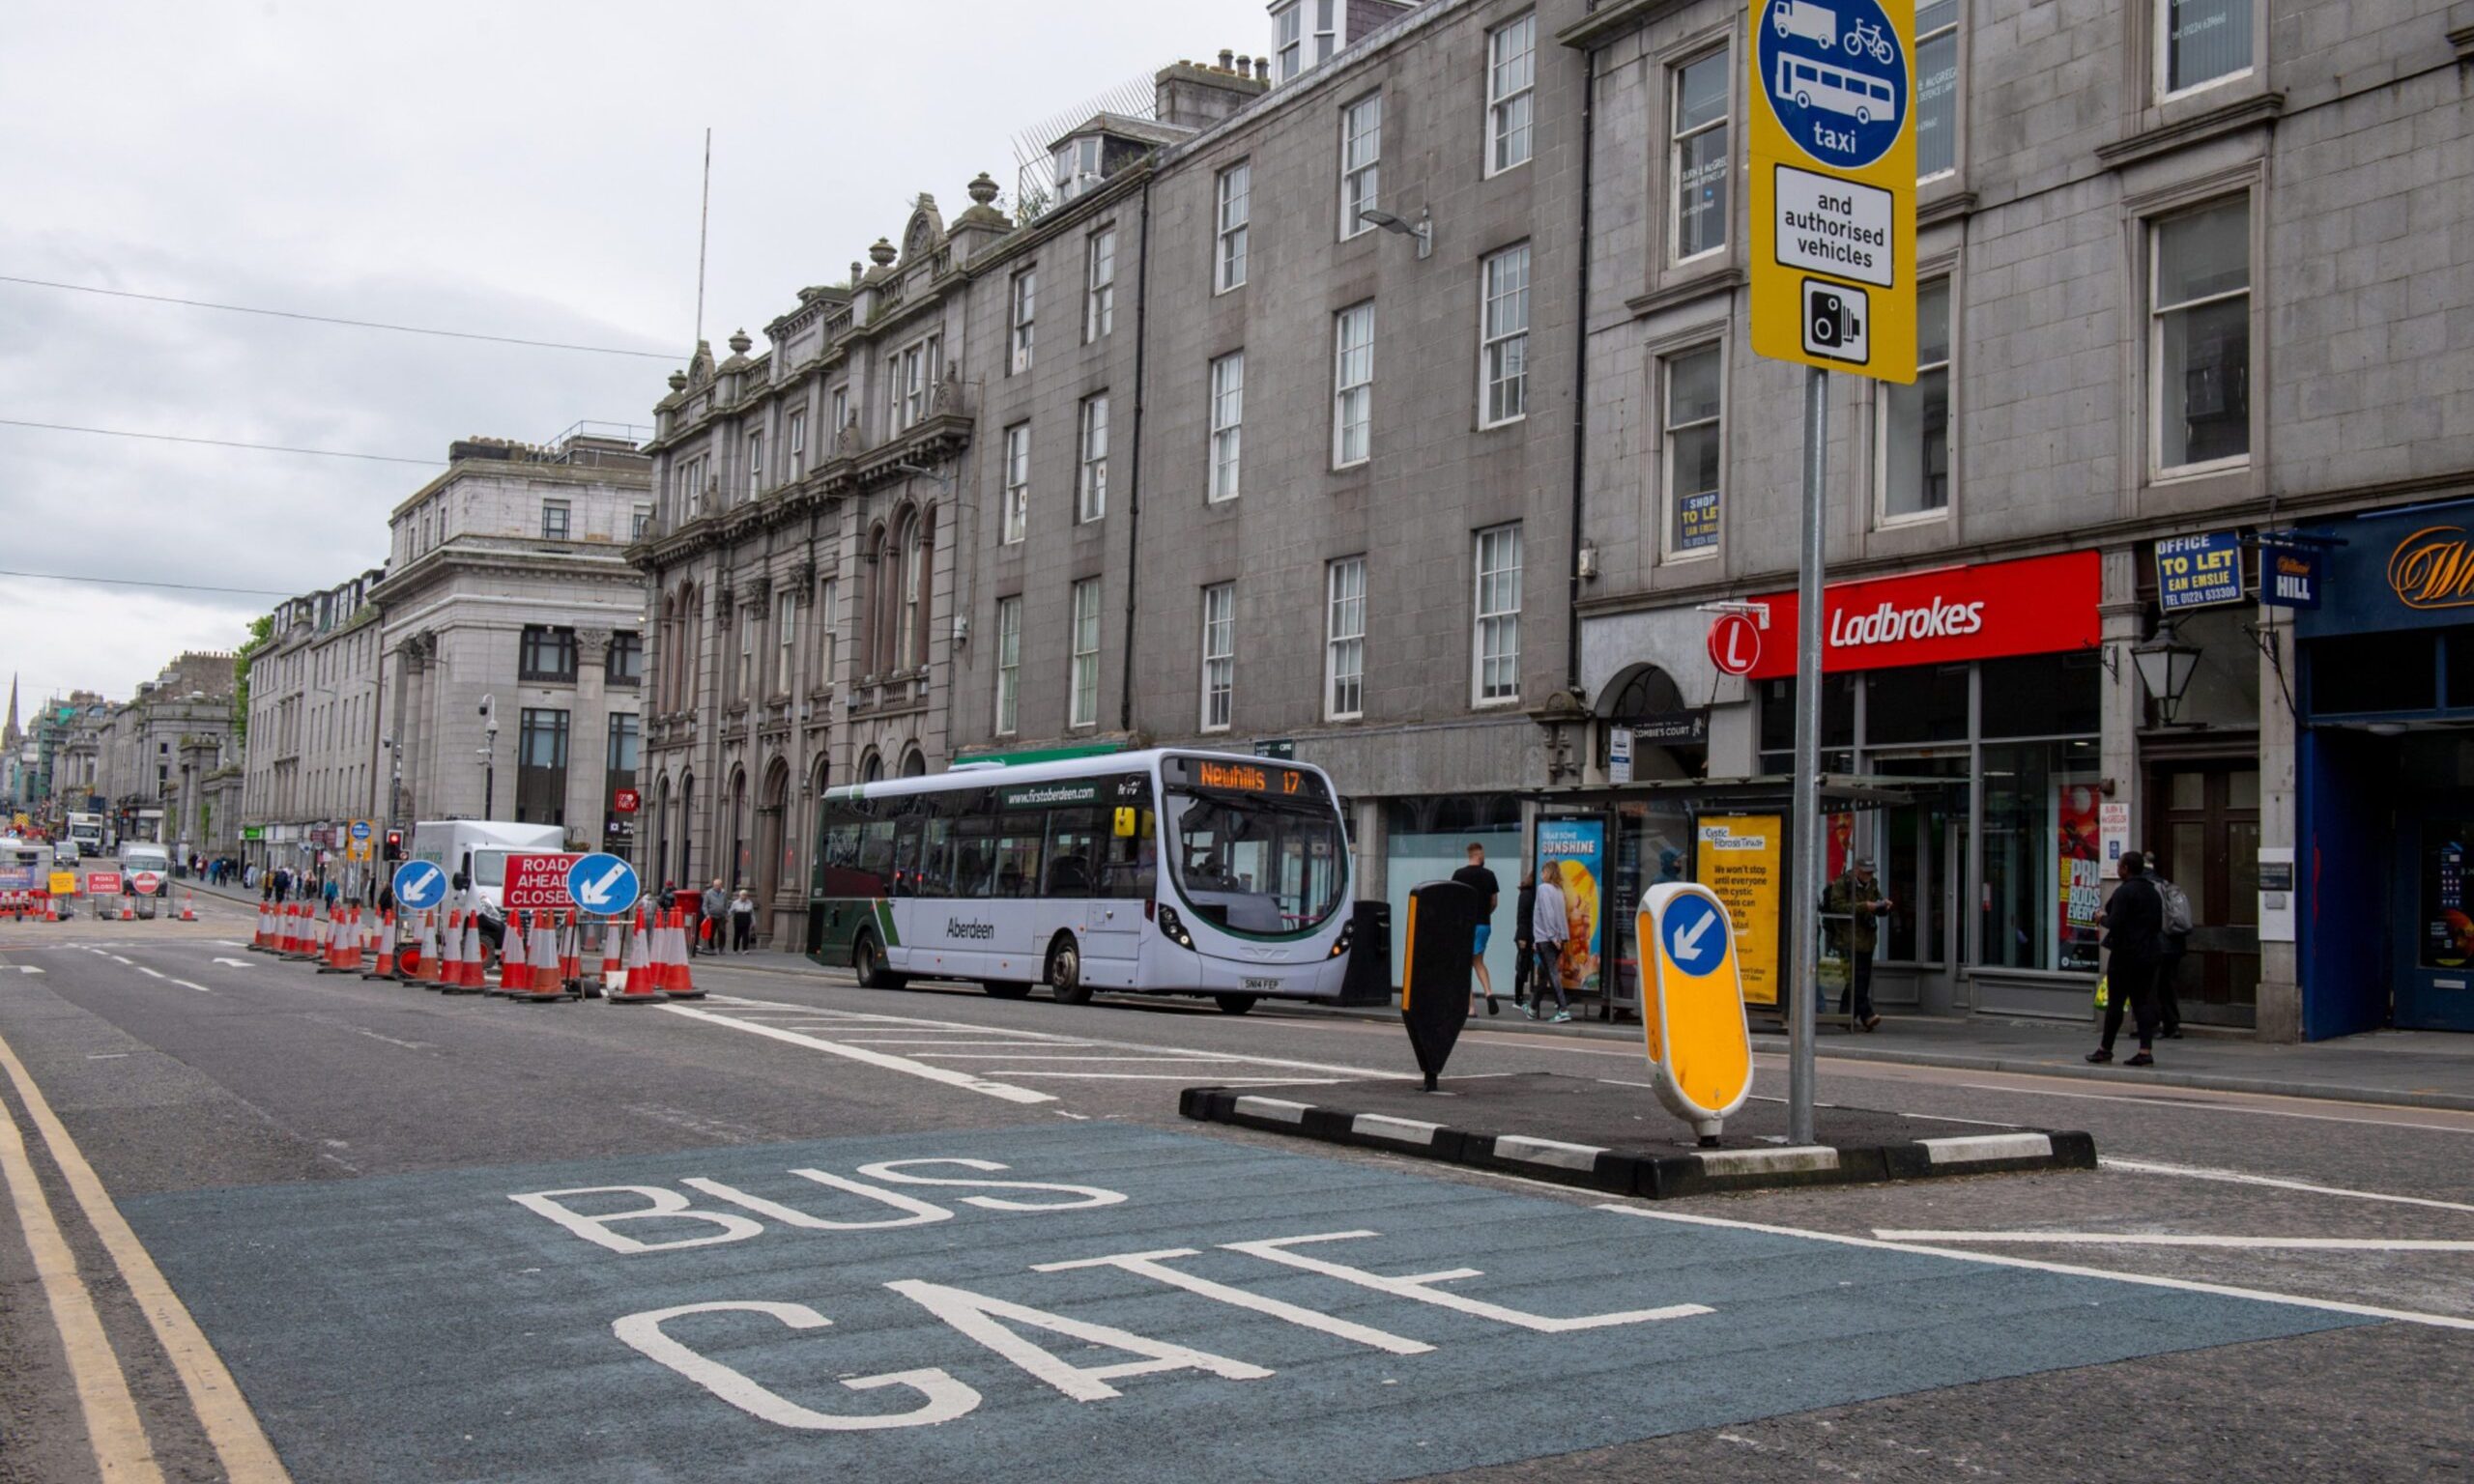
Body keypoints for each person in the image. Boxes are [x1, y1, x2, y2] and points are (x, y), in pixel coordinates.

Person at [2089, 851, 2165, 1067]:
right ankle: (2145, 1050)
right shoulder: (2153, 892)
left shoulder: (2124, 892)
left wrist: (2101, 918)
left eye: (2119, 865)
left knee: (2116, 1004)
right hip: (2149, 953)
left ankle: (2105, 1049)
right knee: (2142, 1002)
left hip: (2125, 955)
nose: (2117, 869)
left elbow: (2115, 922)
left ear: (2125, 869)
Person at [1824, 856, 1891, 1031]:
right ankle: (1867, 1015)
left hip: (1867, 940)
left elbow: (1877, 906)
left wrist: (1883, 906)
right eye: (1865, 873)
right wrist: (1864, 906)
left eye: (1870, 873)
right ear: (1856, 870)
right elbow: (1837, 907)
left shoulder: (1873, 885)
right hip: (1847, 939)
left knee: (1860, 979)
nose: (1868, 876)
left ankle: (1845, 1016)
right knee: (1854, 979)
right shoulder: (1843, 884)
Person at [1452, 843, 1503, 1016]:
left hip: (1464, 925)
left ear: (1469, 855)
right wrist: (1485, 914)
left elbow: (1454, 901)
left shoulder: (1459, 875)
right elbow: (1494, 902)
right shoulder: (1490, 875)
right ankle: (1489, 992)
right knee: (1478, 962)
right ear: (1479, 856)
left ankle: (1471, 1008)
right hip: (1483, 924)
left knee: (1465, 967)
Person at [2145, 852, 2192, 1040]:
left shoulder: (2145, 888)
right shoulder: (2170, 887)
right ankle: (2172, 1026)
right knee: (2169, 986)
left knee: (2151, 987)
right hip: (2174, 946)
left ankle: (2153, 1026)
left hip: (2155, 945)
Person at [1527, 867, 1572, 1023]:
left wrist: (1552, 936)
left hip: (1546, 938)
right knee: (1543, 974)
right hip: (1557, 938)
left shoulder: (1543, 888)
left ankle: (1563, 1009)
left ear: (1548, 873)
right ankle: (1532, 1008)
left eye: (1543, 871)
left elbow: (1548, 913)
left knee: (1551, 973)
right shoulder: (1558, 890)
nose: (1541, 874)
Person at [1511, 869, 1538, 1012]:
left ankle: (1519, 998)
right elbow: (1522, 917)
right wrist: (1522, 937)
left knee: (1525, 965)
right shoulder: (1527, 894)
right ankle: (1518, 999)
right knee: (1523, 966)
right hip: (1525, 935)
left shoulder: (1530, 893)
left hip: (1529, 934)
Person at [700, 878, 726, 956]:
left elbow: (726, 904)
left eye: (719, 885)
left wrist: (726, 914)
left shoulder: (724, 893)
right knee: (711, 932)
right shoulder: (708, 893)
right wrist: (707, 914)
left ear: (721, 885)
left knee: (722, 931)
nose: (717, 887)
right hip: (711, 916)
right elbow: (704, 905)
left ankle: (721, 948)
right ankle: (712, 947)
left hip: (721, 916)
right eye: (716, 885)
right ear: (713, 885)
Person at [730, 886, 756, 953]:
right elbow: (731, 911)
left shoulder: (750, 903)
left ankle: (745, 949)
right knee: (737, 934)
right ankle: (735, 949)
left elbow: (752, 913)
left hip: (746, 918)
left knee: (746, 935)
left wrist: (754, 922)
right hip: (738, 918)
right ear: (740, 895)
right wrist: (727, 916)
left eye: (745, 895)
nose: (744, 897)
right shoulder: (735, 903)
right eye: (742, 895)